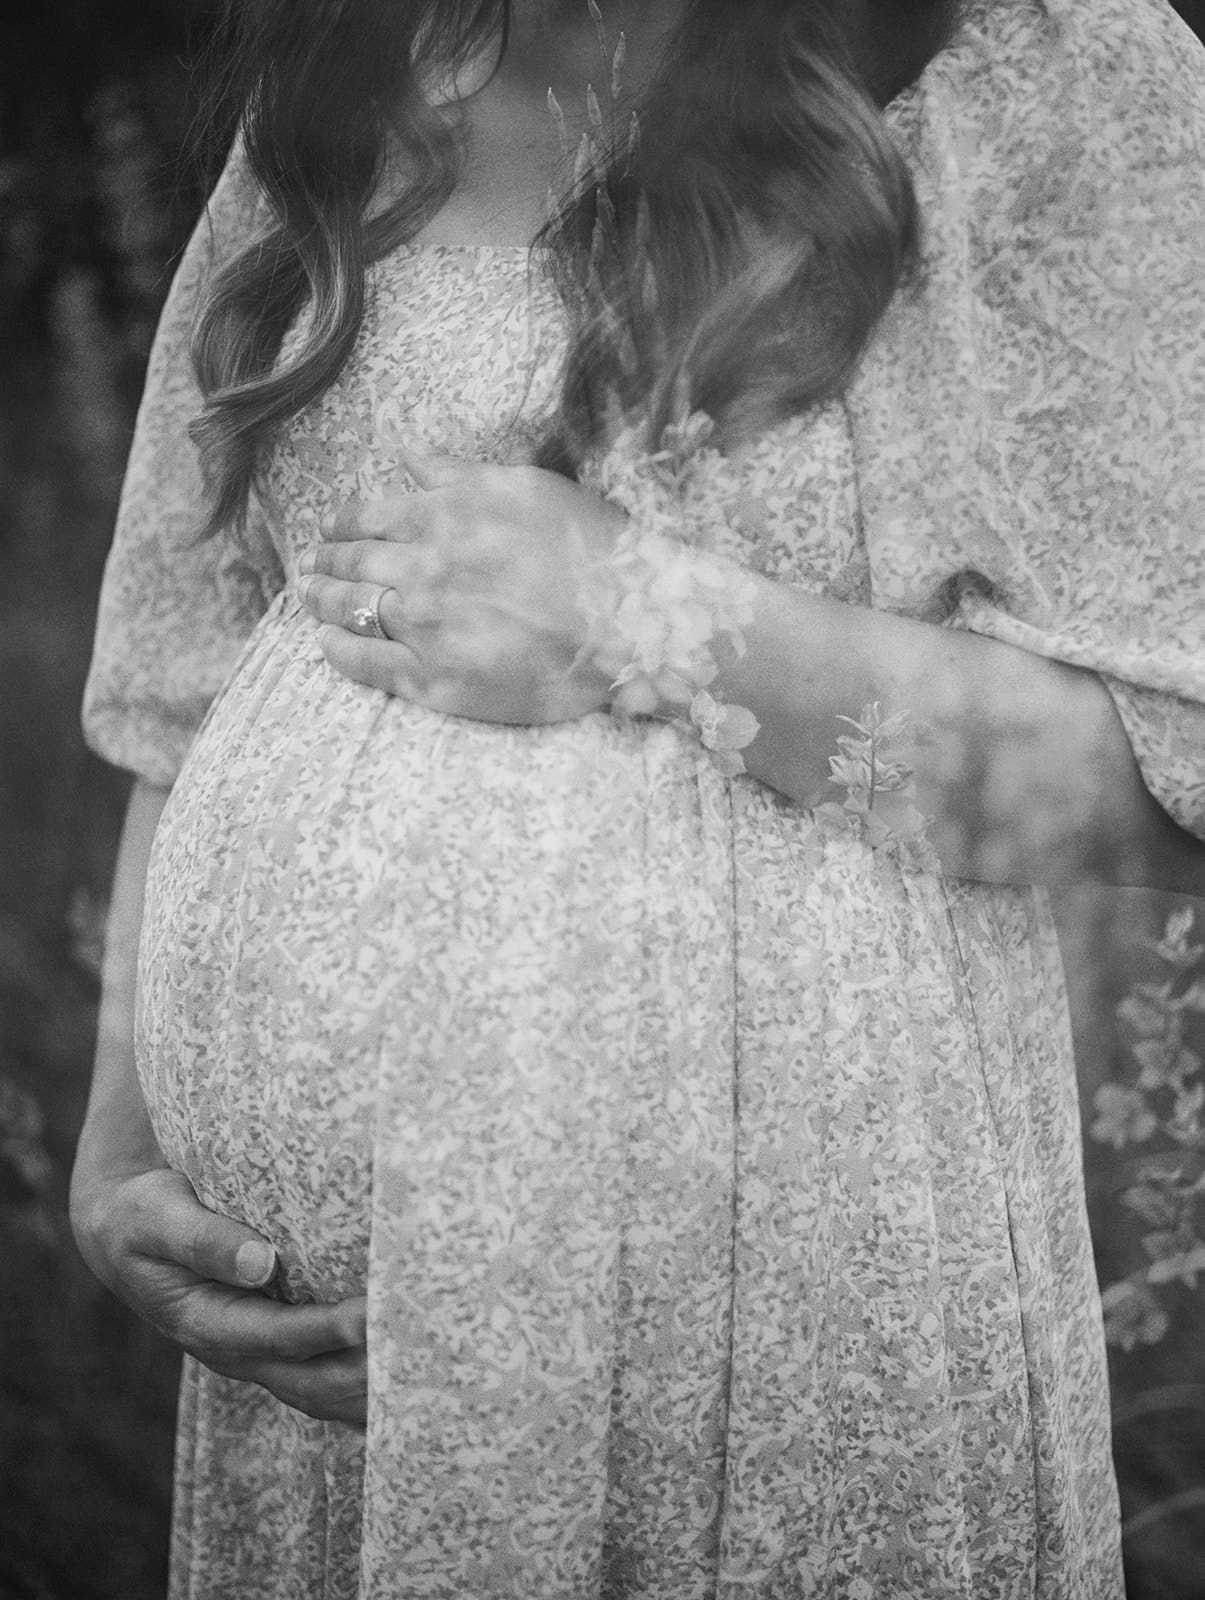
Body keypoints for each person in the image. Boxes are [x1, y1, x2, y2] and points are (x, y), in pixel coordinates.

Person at [70, 0, 1205, 1594]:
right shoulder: (344, 71)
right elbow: (187, 679)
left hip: (784, 1328)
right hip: (337, 1394)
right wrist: (123, 1148)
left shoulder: (1039, 64)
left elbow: (1167, 786)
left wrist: (648, 622)